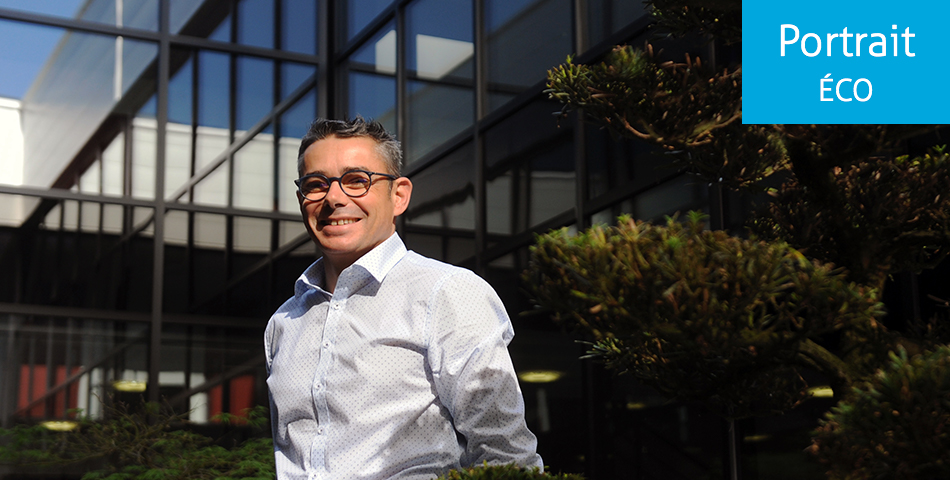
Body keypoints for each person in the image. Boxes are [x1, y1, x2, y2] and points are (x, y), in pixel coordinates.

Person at [264, 117, 543, 480]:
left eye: (356, 180)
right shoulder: (283, 324)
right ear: (303, 199)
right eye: (316, 184)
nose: (334, 197)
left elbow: (505, 453)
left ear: (399, 195)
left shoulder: (447, 292)